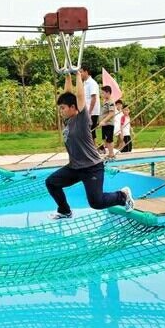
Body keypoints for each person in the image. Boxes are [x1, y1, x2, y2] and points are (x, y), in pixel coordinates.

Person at [45, 71, 135, 219]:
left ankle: (122, 196)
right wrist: (67, 76)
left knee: (96, 202)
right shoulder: (68, 120)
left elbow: (79, 98)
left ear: (74, 108)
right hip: (75, 167)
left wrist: (78, 75)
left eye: (63, 108)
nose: (61, 111)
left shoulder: (81, 118)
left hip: (91, 167)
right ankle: (64, 210)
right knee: (51, 183)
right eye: (60, 108)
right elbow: (68, 94)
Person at [80, 66, 100, 140]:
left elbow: (94, 98)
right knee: (87, 132)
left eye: (81, 72)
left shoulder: (92, 83)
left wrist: (89, 112)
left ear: (86, 72)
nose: (80, 74)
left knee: (91, 131)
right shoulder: (85, 83)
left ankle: (93, 150)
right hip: (86, 111)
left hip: (92, 112)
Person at [99, 86, 116, 159]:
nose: (102, 95)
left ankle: (111, 154)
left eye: (103, 93)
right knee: (105, 139)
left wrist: (104, 121)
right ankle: (109, 153)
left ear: (108, 93)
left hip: (108, 124)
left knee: (109, 139)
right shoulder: (104, 101)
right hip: (104, 124)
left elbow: (111, 113)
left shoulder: (111, 102)